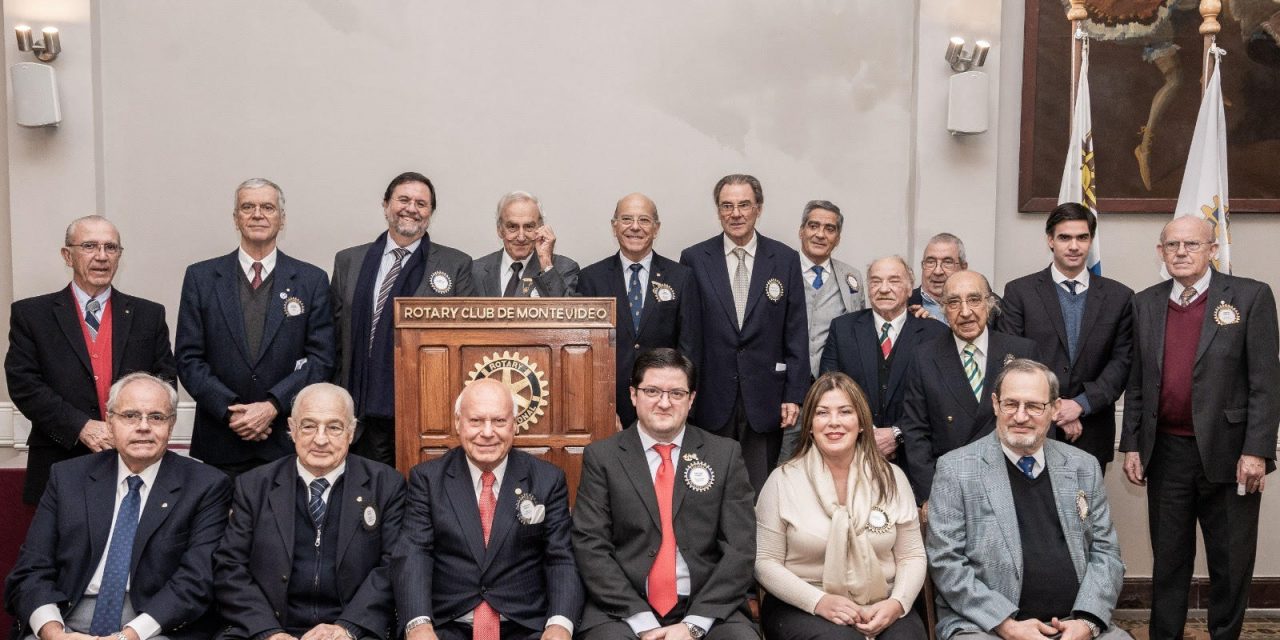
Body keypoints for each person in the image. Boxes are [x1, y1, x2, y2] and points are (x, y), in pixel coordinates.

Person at [1119, 215, 1279, 640]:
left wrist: (1257, 450)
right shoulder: (1145, 303)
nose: (1181, 252)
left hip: (1231, 454)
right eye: (1172, 245)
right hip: (1166, 453)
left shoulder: (1250, 296)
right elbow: (1137, 381)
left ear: (1213, 250)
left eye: (1192, 244)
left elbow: (1266, 382)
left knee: (1230, 562)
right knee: (1169, 561)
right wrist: (1132, 444)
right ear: (1160, 252)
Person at [4, 373, 232, 640]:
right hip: (66, 618)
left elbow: (196, 581)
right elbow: (32, 569)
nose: (143, 426)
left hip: (153, 627)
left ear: (171, 425)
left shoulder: (206, 486)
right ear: (110, 422)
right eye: (130, 416)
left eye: (156, 417)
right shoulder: (67, 478)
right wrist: (54, 633)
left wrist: (128, 636)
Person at [926, 359, 1128, 640]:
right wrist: (1007, 625)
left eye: (1034, 406)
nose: (1020, 417)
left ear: (1055, 409)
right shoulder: (956, 469)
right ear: (995, 404)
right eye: (1011, 404)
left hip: (1074, 623)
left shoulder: (1083, 466)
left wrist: (1087, 621)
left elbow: (1106, 553)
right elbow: (946, 562)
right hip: (987, 627)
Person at [573, 348, 759, 640]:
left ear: (691, 399)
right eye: (652, 391)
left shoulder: (724, 455)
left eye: (676, 393)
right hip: (623, 608)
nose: (664, 402)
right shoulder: (603, 457)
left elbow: (740, 548)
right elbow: (590, 545)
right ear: (633, 395)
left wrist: (694, 624)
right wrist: (643, 622)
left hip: (707, 606)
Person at [392, 378, 582, 640]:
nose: (488, 432)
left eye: (499, 421)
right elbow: (415, 553)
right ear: (458, 422)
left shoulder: (547, 480)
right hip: (446, 626)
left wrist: (560, 624)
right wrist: (418, 624)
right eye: (476, 421)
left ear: (515, 424)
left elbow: (561, 557)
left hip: (526, 627)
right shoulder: (428, 479)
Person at [213, 383, 406, 640]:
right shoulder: (254, 486)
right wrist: (269, 631)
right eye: (309, 426)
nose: (321, 439)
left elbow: (392, 566)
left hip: (352, 630)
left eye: (334, 427)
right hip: (268, 627)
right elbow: (230, 567)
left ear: (351, 432)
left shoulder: (385, 485)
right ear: (292, 429)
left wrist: (347, 627)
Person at [5, 215, 176, 504]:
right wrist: (81, 426)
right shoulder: (32, 315)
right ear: (67, 255)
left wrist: (129, 427)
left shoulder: (149, 315)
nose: (101, 256)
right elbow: (24, 384)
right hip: (59, 458)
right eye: (89, 246)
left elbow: (165, 381)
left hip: (134, 460)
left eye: (111, 247)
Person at [177, 178, 335, 478]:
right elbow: (188, 359)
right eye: (248, 207)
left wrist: (272, 406)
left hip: (284, 440)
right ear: (235, 218)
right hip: (221, 439)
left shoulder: (311, 280)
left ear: (282, 219)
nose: (258, 214)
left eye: (268, 207)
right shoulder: (201, 278)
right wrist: (232, 411)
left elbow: (321, 359)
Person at [755, 371, 927, 640]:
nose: (833, 422)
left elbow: (912, 555)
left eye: (845, 412)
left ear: (861, 423)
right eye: (822, 413)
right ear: (809, 424)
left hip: (882, 600)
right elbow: (765, 562)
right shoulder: (782, 481)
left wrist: (897, 603)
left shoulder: (892, 478)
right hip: (803, 603)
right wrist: (818, 602)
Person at [330, 172, 476, 466]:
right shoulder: (349, 261)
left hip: (425, 407)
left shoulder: (455, 264)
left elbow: (467, 343)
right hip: (358, 404)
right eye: (404, 200)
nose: (411, 208)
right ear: (386, 205)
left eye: (421, 204)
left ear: (431, 213)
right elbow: (334, 335)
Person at [679, 174, 808, 493]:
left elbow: (795, 332)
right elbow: (688, 336)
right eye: (727, 206)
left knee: (759, 490)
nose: (735, 213)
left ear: (758, 208)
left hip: (765, 398)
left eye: (744, 205)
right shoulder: (695, 259)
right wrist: (685, 392)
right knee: (706, 486)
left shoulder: (785, 259)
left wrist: (794, 394)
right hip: (711, 398)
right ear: (718, 211)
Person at [998, 203, 1133, 473]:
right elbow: (1014, 361)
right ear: (1050, 240)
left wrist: (1081, 405)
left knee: (1085, 501)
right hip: (1032, 425)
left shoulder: (1120, 297)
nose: (1074, 246)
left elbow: (1122, 362)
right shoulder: (1019, 293)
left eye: (1082, 237)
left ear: (1091, 240)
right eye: (1064, 237)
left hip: (1092, 429)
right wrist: (1055, 408)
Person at [899, 271, 1037, 502]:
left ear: (989, 304)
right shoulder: (924, 357)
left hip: (1013, 485)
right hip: (950, 488)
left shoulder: (1022, 352)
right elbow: (915, 432)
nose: (965, 312)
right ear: (943, 309)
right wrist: (932, 494)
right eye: (954, 302)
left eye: (974, 300)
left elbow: (1040, 424)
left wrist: (1032, 487)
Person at [576, 192, 701, 428]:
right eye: (626, 219)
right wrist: (599, 408)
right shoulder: (591, 278)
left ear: (656, 228)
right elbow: (584, 353)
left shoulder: (681, 278)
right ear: (614, 226)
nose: (635, 227)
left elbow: (689, 347)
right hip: (609, 409)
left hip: (664, 405)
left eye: (644, 220)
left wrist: (682, 407)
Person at [819, 257, 948, 470]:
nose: (884, 289)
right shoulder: (843, 329)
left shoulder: (935, 334)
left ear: (910, 289)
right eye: (876, 281)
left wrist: (897, 433)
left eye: (894, 281)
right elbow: (828, 389)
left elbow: (940, 399)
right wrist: (867, 433)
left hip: (916, 459)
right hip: (853, 454)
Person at [779, 200, 866, 462]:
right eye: (813, 226)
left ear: (837, 237)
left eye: (829, 229)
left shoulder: (851, 278)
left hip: (831, 394)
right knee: (786, 464)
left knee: (831, 464)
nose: (820, 234)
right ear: (801, 230)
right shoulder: (780, 270)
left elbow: (860, 329)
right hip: (786, 394)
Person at [472, 191, 580, 297]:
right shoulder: (475, 271)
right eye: (512, 227)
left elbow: (565, 308)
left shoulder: (563, 268)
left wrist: (546, 263)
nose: (521, 237)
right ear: (499, 230)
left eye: (529, 227)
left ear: (541, 228)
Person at [907, 233, 967, 324]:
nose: (937, 272)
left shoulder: (981, 307)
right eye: (930, 262)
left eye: (947, 262)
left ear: (963, 268)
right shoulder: (904, 306)